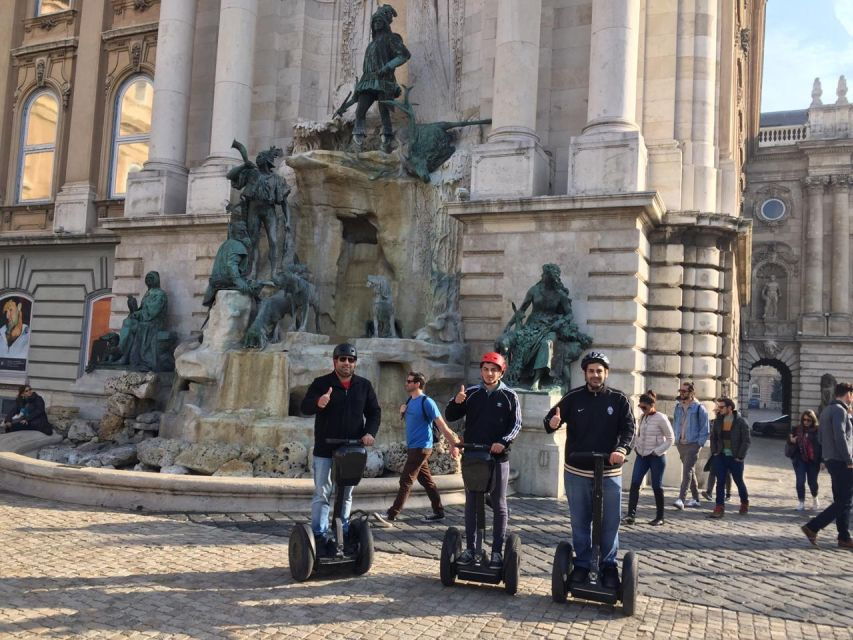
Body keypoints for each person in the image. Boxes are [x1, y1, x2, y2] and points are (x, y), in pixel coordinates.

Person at [543, 351, 635, 590]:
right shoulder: (573, 398)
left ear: (606, 373)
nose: (595, 375)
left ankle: (608, 565)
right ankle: (582, 564)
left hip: (609, 471)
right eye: (591, 370)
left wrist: (622, 450)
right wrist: (552, 423)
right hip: (577, 470)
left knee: (610, 522)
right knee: (580, 521)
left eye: (599, 371)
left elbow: (629, 429)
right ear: (585, 373)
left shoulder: (619, 399)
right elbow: (550, 420)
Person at [300, 343, 381, 551]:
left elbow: (374, 412)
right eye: (342, 359)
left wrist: (369, 433)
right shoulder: (321, 383)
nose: (347, 363)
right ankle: (319, 534)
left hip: (352, 449)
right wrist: (319, 402)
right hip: (325, 449)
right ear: (334, 361)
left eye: (351, 360)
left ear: (355, 363)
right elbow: (304, 406)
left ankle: (342, 532)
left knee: (346, 494)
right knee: (322, 492)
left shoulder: (363, 385)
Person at [444, 352, 521, 569]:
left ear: (501, 372)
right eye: (486, 369)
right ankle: (470, 549)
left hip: (497, 457)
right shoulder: (470, 393)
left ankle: (496, 551)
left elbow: (516, 425)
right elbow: (450, 415)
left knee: (498, 502)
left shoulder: (509, 396)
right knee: (472, 503)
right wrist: (457, 403)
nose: (489, 373)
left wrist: (503, 442)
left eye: (494, 369)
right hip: (474, 456)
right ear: (481, 371)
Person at [372, 372, 460, 527]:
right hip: (413, 447)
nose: (406, 383)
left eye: (409, 381)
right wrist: (402, 412)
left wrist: (454, 444)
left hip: (422, 447)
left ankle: (391, 515)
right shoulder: (409, 401)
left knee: (405, 480)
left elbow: (442, 425)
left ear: (418, 384)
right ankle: (439, 512)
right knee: (427, 482)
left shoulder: (427, 402)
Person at [348, 4, 411, 153]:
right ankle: (358, 141)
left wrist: (387, 67)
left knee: (384, 111)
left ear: (384, 23)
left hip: (383, 80)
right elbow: (367, 66)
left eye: (379, 21)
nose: (376, 24)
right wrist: (358, 87)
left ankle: (387, 140)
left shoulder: (391, 38)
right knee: (360, 110)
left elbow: (404, 55)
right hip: (368, 80)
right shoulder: (371, 44)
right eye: (374, 21)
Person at [801, 382, 853, 549]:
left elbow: (821, 438)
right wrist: (849, 459)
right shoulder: (840, 410)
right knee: (844, 500)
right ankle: (813, 526)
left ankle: (844, 537)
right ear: (848, 394)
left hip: (832, 459)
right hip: (842, 461)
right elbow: (841, 437)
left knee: (842, 499)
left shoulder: (826, 411)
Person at [622, 390, 674, 526]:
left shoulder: (661, 418)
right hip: (642, 456)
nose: (642, 409)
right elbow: (638, 435)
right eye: (640, 407)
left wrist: (657, 451)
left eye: (644, 407)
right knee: (634, 484)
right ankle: (630, 515)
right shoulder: (642, 418)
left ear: (652, 405)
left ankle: (660, 517)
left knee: (657, 486)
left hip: (656, 457)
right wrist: (635, 448)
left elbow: (670, 439)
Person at [707, 397, 750, 518]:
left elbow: (746, 441)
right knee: (720, 482)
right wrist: (714, 452)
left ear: (730, 408)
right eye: (718, 407)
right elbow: (713, 437)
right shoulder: (718, 421)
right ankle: (719, 508)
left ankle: (744, 503)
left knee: (738, 481)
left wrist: (740, 456)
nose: (719, 409)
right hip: (720, 456)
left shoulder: (741, 422)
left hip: (735, 457)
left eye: (721, 407)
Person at [672, 382, 710, 509]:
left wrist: (698, 444)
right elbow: (676, 422)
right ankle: (696, 499)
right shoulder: (678, 407)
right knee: (690, 471)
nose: (681, 393)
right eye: (680, 391)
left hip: (693, 444)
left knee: (687, 471)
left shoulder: (699, 408)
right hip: (680, 444)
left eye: (684, 391)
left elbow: (705, 429)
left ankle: (681, 499)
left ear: (691, 393)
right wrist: (676, 439)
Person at [787, 410, 821, 511]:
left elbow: (822, 446)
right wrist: (791, 440)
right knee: (800, 481)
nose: (806, 422)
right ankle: (801, 502)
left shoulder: (818, 431)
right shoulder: (797, 429)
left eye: (808, 420)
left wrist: (823, 461)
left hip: (813, 460)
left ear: (813, 420)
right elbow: (789, 439)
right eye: (804, 419)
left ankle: (815, 498)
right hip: (799, 459)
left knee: (812, 482)